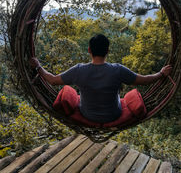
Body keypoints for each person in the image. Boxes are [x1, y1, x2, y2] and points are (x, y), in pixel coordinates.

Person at [30, 34, 172, 123]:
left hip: (88, 114)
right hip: (113, 115)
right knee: (126, 95)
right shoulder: (118, 70)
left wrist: (38, 66)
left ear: (89, 50)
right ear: (108, 51)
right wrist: (161, 73)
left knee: (72, 92)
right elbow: (145, 80)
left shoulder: (79, 70)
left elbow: (53, 80)